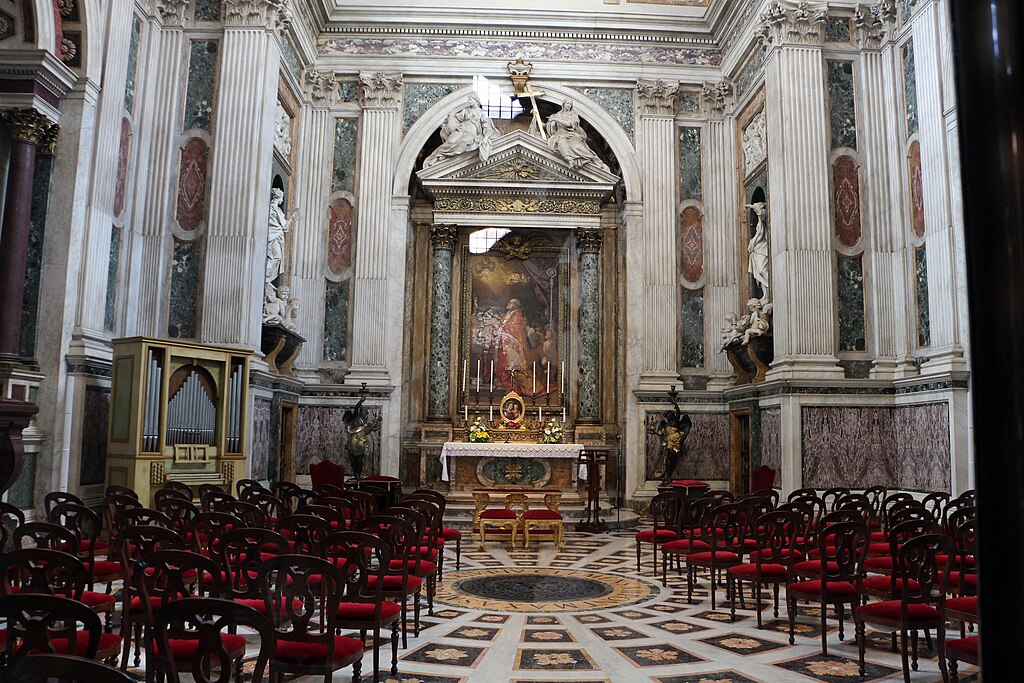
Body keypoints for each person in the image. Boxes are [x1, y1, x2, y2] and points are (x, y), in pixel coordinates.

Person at [423, 93, 499, 168]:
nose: (469, 102)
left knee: (462, 142)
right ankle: (437, 156)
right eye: (469, 100)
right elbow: (456, 117)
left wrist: (486, 137)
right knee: (451, 141)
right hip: (461, 130)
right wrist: (449, 118)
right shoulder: (465, 111)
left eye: (471, 100)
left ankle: (442, 156)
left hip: (471, 134)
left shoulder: (482, 113)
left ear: (476, 100)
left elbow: (487, 127)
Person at [545, 99, 609, 171]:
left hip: (572, 135)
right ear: (563, 104)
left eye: (570, 104)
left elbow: (569, 124)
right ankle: (570, 160)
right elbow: (549, 126)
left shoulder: (573, 115)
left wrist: (555, 119)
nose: (569, 105)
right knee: (561, 142)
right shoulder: (557, 115)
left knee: (578, 147)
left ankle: (595, 160)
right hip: (560, 135)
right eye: (567, 103)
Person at [493, 298, 529, 391]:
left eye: (513, 303)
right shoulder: (507, 314)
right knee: (502, 361)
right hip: (503, 341)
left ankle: (513, 381)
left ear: (516, 305)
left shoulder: (517, 313)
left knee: (512, 362)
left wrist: (503, 328)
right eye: (510, 303)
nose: (511, 304)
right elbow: (502, 323)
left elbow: (515, 327)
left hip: (511, 342)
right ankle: (504, 380)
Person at [746, 201, 770, 303]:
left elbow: (761, 214)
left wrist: (753, 207)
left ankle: (768, 291)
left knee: (762, 271)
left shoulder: (761, 221)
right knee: (758, 275)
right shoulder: (758, 225)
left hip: (762, 250)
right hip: (757, 251)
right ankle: (765, 293)